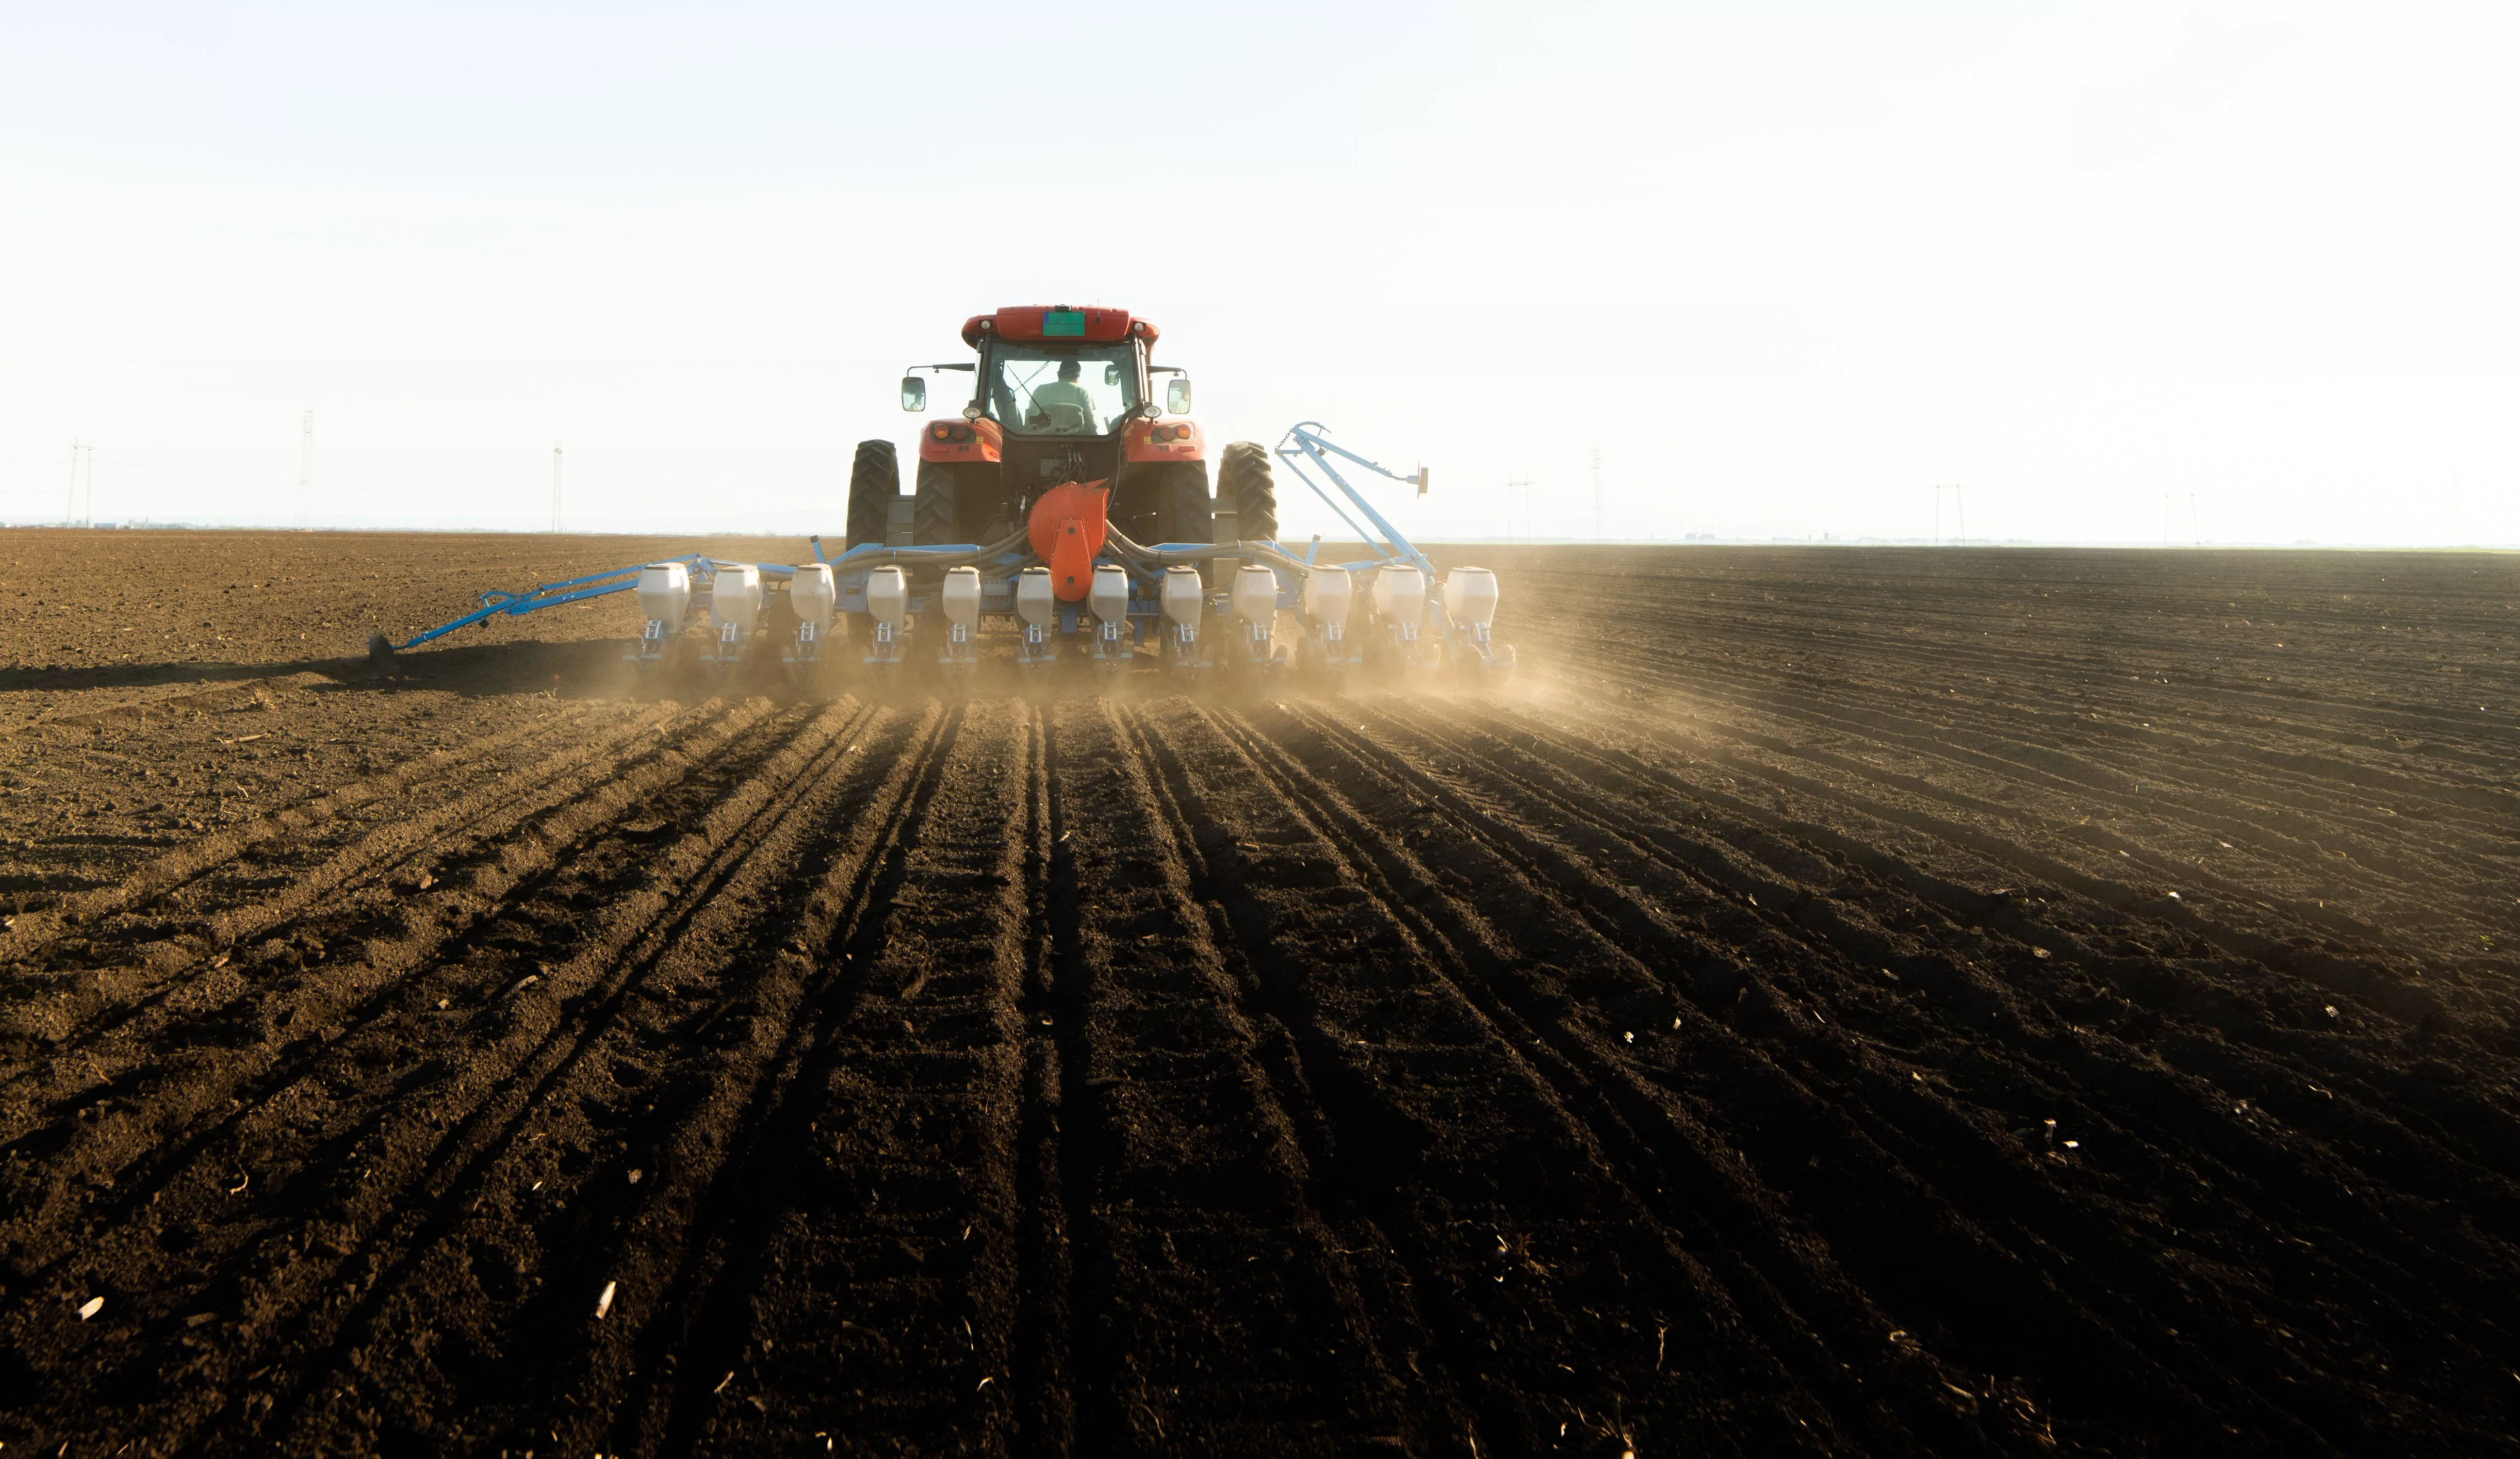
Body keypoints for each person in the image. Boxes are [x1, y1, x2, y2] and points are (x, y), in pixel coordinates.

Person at [1029, 359, 1098, 433]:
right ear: (1077, 378)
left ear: (1058, 374)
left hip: (1043, 438)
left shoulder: (1040, 390)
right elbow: (1093, 424)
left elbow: (1029, 420)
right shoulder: (1082, 392)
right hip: (1076, 439)